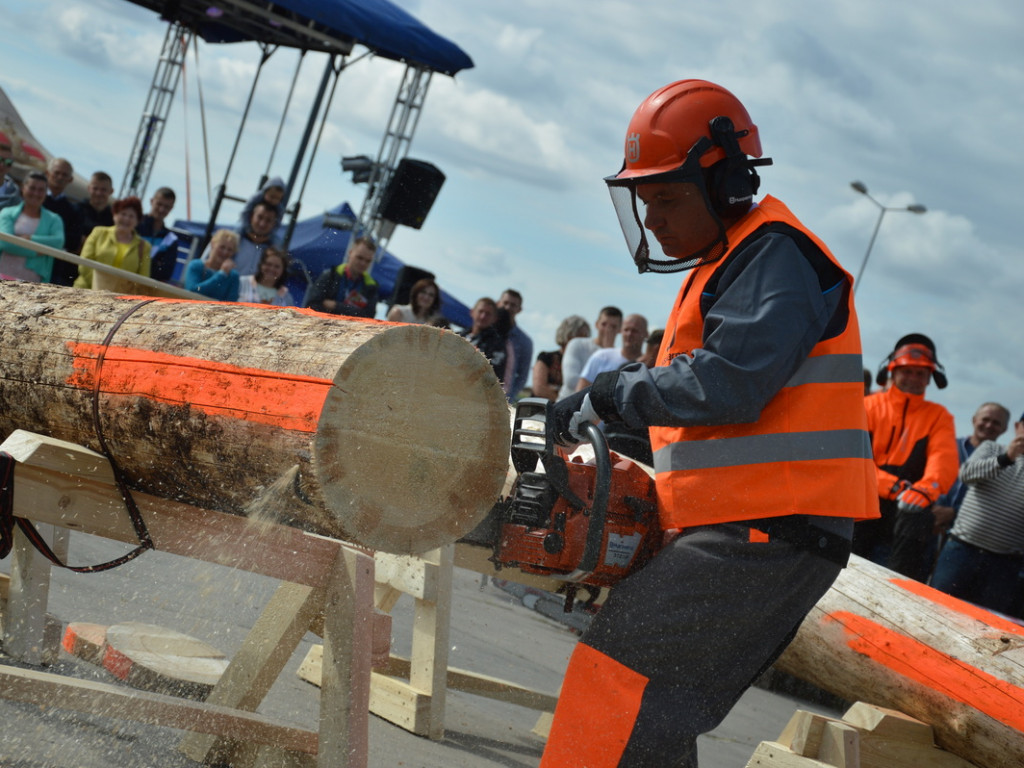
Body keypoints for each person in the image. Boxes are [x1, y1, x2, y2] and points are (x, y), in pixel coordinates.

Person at [543, 79, 877, 768]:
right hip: (742, 523)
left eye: (666, 197)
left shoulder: (774, 254)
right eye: (644, 202)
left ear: (724, 179)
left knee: (621, 688)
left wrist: (609, 395)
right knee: (648, 714)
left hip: (769, 527)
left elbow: (731, 384)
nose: (654, 218)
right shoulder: (729, 261)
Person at [852, 334, 959, 580]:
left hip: (907, 512)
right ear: (891, 371)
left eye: (920, 373)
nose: (913, 378)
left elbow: (943, 460)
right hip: (862, 504)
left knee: (897, 577)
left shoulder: (939, 416)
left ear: (930, 378)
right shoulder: (867, 406)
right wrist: (895, 488)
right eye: (907, 371)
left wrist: (925, 490)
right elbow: (854, 460)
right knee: (842, 571)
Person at [929, 411, 1024, 615]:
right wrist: (1006, 458)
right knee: (934, 609)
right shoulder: (991, 448)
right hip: (961, 550)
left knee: (985, 626)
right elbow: (967, 475)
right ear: (1017, 427)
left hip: (1004, 564)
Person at [0, 171, 65, 282]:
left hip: (34, 284)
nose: (36, 193)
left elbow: (58, 242)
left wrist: (29, 239)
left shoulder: (54, 219)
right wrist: (41, 250)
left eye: (41, 190)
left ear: (45, 193)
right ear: (23, 188)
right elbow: (5, 243)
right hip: (3, 277)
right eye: (32, 188)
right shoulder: (7, 213)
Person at [74, 196, 151, 289]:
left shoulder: (144, 246)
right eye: (123, 214)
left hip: (119, 299)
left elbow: (143, 279)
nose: (126, 219)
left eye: (131, 216)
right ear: (114, 215)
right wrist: (101, 287)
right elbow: (84, 263)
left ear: (137, 221)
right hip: (85, 289)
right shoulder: (98, 232)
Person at [305, 235, 379, 318]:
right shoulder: (330, 276)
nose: (363, 263)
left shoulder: (371, 287)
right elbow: (311, 306)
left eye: (368, 261)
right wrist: (353, 311)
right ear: (350, 253)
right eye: (359, 258)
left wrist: (335, 305)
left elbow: (368, 316)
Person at [558, 306, 622, 399]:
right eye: (604, 324)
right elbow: (571, 380)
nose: (607, 330)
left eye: (613, 326)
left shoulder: (620, 357)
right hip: (567, 404)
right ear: (597, 324)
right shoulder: (577, 344)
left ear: (619, 329)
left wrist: (608, 351)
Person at [575, 313, 648, 390]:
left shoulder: (647, 366)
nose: (629, 334)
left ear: (646, 334)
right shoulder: (601, 356)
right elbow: (580, 392)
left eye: (634, 331)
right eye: (626, 330)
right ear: (621, 331)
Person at [42, 156, 84, 286]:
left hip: (56, 270)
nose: (60, 177)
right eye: (57, 173)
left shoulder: (74, 210)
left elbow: (74, 241)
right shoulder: (32, 198)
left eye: (64, 174)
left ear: (70, 179)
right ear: (48, 173)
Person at [533, 315, 591, 402]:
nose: (583, 342)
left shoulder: (585, 364)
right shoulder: (546, 357)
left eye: (586, 338)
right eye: (580, 337)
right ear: (567, 335)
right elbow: (539, 389)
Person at [459, 297, 510, 383]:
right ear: (472, 312)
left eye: (488, 314)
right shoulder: (457, 336)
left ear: (495, 319)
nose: (483, 316)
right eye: (480, 311)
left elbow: (493, 377)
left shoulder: (497, 345)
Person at [497, 289, 534, 402]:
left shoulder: (524, 342)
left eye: (513, 305)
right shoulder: (484, 330)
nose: (508, 307)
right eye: (505, 303)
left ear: (519, 309)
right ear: (498, 303)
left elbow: (522, 376)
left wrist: (508, 397)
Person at [185, 228, 240, 301]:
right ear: (213, 244)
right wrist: (221, 274)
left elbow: (231, 304)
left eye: (230, 250)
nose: (225, 252)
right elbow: (193, 291)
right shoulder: (196, 265)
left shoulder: (233, 276)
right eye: (222, 247)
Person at [137, 187, 178, 282]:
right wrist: (156, 263)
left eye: (167, 207)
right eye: (159, 204)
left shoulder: (171, 239)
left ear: (171, 208)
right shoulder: (134, 225)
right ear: (151, 201)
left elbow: (165, 273)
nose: (161, 209)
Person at [233, 200, 281, 277]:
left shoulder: (276, 252)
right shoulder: (229, 241)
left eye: (268, 220)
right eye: (260, 217)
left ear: (274, 224)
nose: (262, 224)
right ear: (251, 216)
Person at [76, 171, 114, 243]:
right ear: (89, 188)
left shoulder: (114, 218)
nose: (98, 193)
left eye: (103, 190)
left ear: (111, 191)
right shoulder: (76, 210)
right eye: (95, 188)